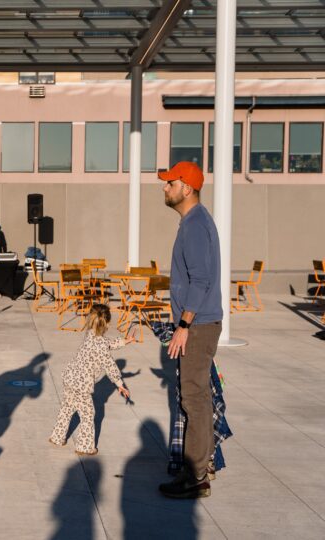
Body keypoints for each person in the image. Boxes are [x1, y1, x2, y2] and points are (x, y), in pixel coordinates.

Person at [156, 161, 223, 500]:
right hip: (198, 323)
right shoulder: (194, 222)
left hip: (197, 324)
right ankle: (200, 466)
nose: (165, 188)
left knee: (193, 398)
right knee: (196, 396)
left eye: (170, 183)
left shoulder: (195, 224)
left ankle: (196, 476)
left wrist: (184, 324)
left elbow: (201, 279)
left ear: (187, 187)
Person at [48, 304, 133, 456]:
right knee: (87, 414)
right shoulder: (101, 344)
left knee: (67, 408)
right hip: (82, 384)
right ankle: (85, 447)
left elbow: (105, 344)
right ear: (107, 323)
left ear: (91, 320)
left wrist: (124, 341)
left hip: (70, 378)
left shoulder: (90, 334)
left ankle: (57, 437)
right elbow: (110, 366)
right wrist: (120, 384)